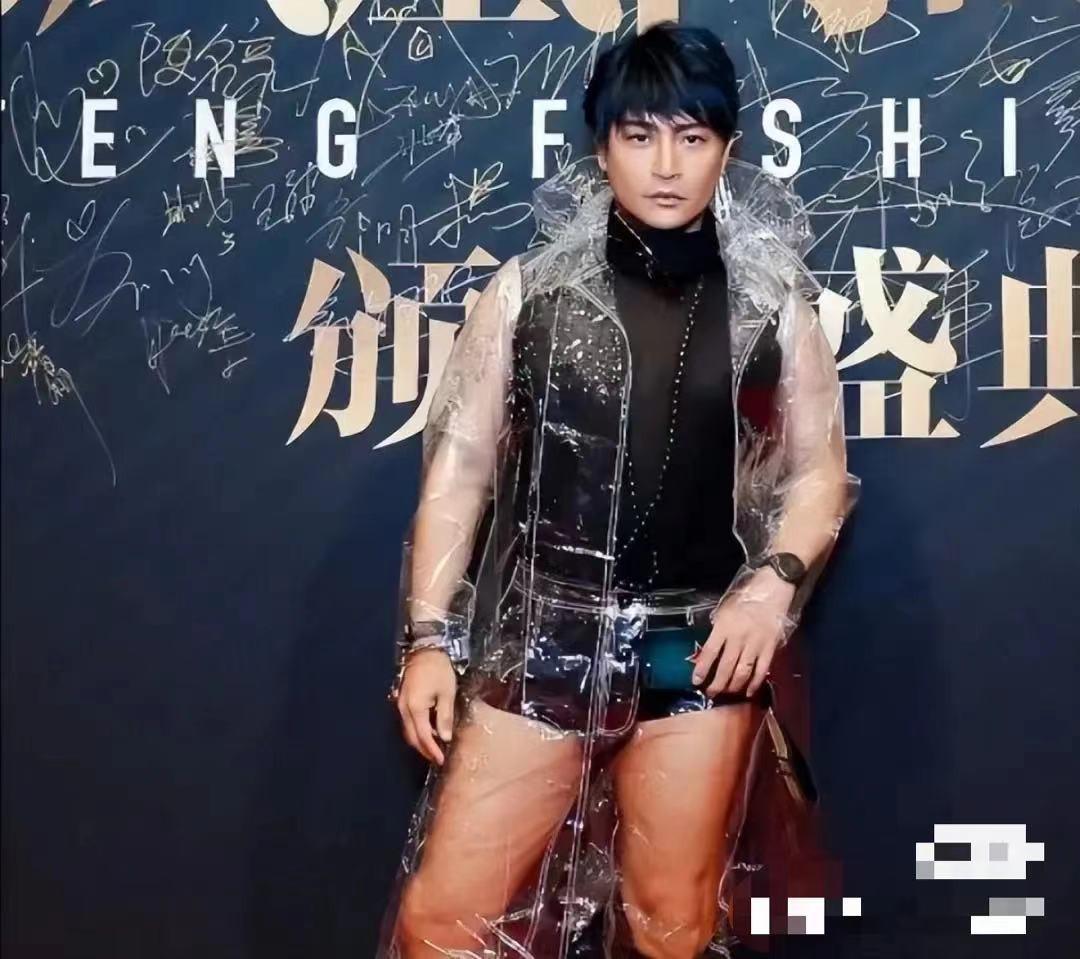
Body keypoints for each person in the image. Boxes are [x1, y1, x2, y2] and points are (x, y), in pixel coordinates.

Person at [379, 21, 860, 959]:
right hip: (547, 631)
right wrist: (429, 638)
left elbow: (818, 473)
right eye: (640, 136)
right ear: (602, 149)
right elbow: (461, 471)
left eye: (693, 138)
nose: (667, 166)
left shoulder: (771, 301)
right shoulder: (527, 292)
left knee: (671, 925)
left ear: (727, 149)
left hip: (695, 644)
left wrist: (773, 586)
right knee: (442, 917)